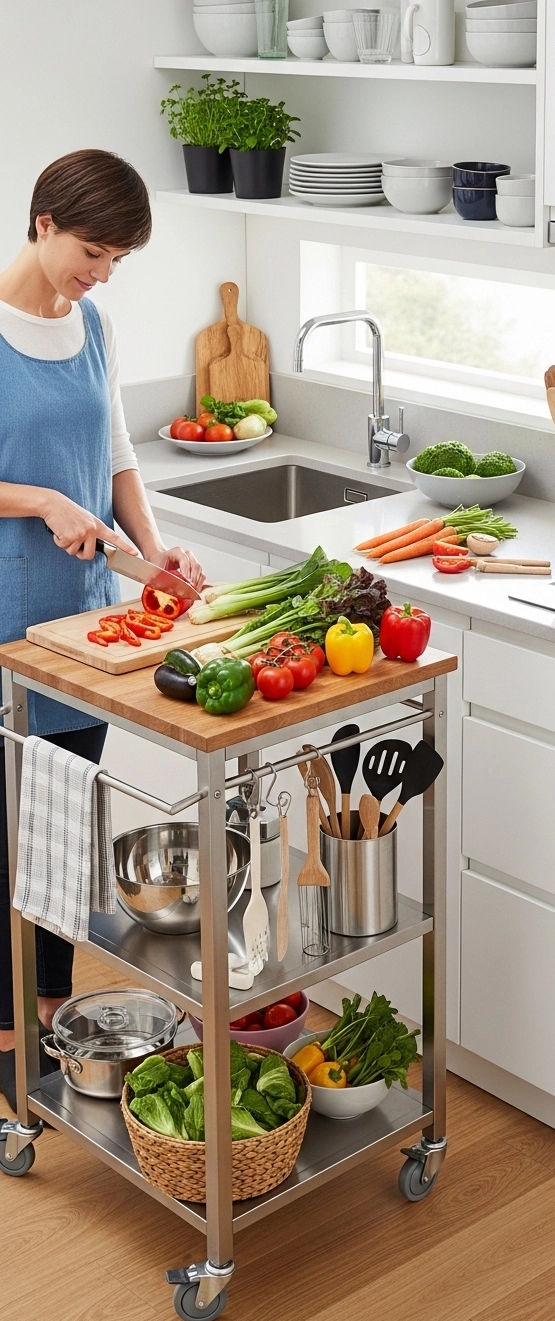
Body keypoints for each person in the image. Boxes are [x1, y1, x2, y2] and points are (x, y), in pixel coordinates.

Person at [0, 149, 205, 1112]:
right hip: (5, 618)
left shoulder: (93, 324)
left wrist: (153, 554)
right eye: (93, 252)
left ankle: (51, 1010)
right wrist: (41, 499)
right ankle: (7, 1037)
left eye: (118, 258)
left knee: (61, 822)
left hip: (84, 622)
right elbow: (45, 485)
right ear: (43, 223)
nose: (104, 273)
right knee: (4, 829)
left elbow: (117, 454)